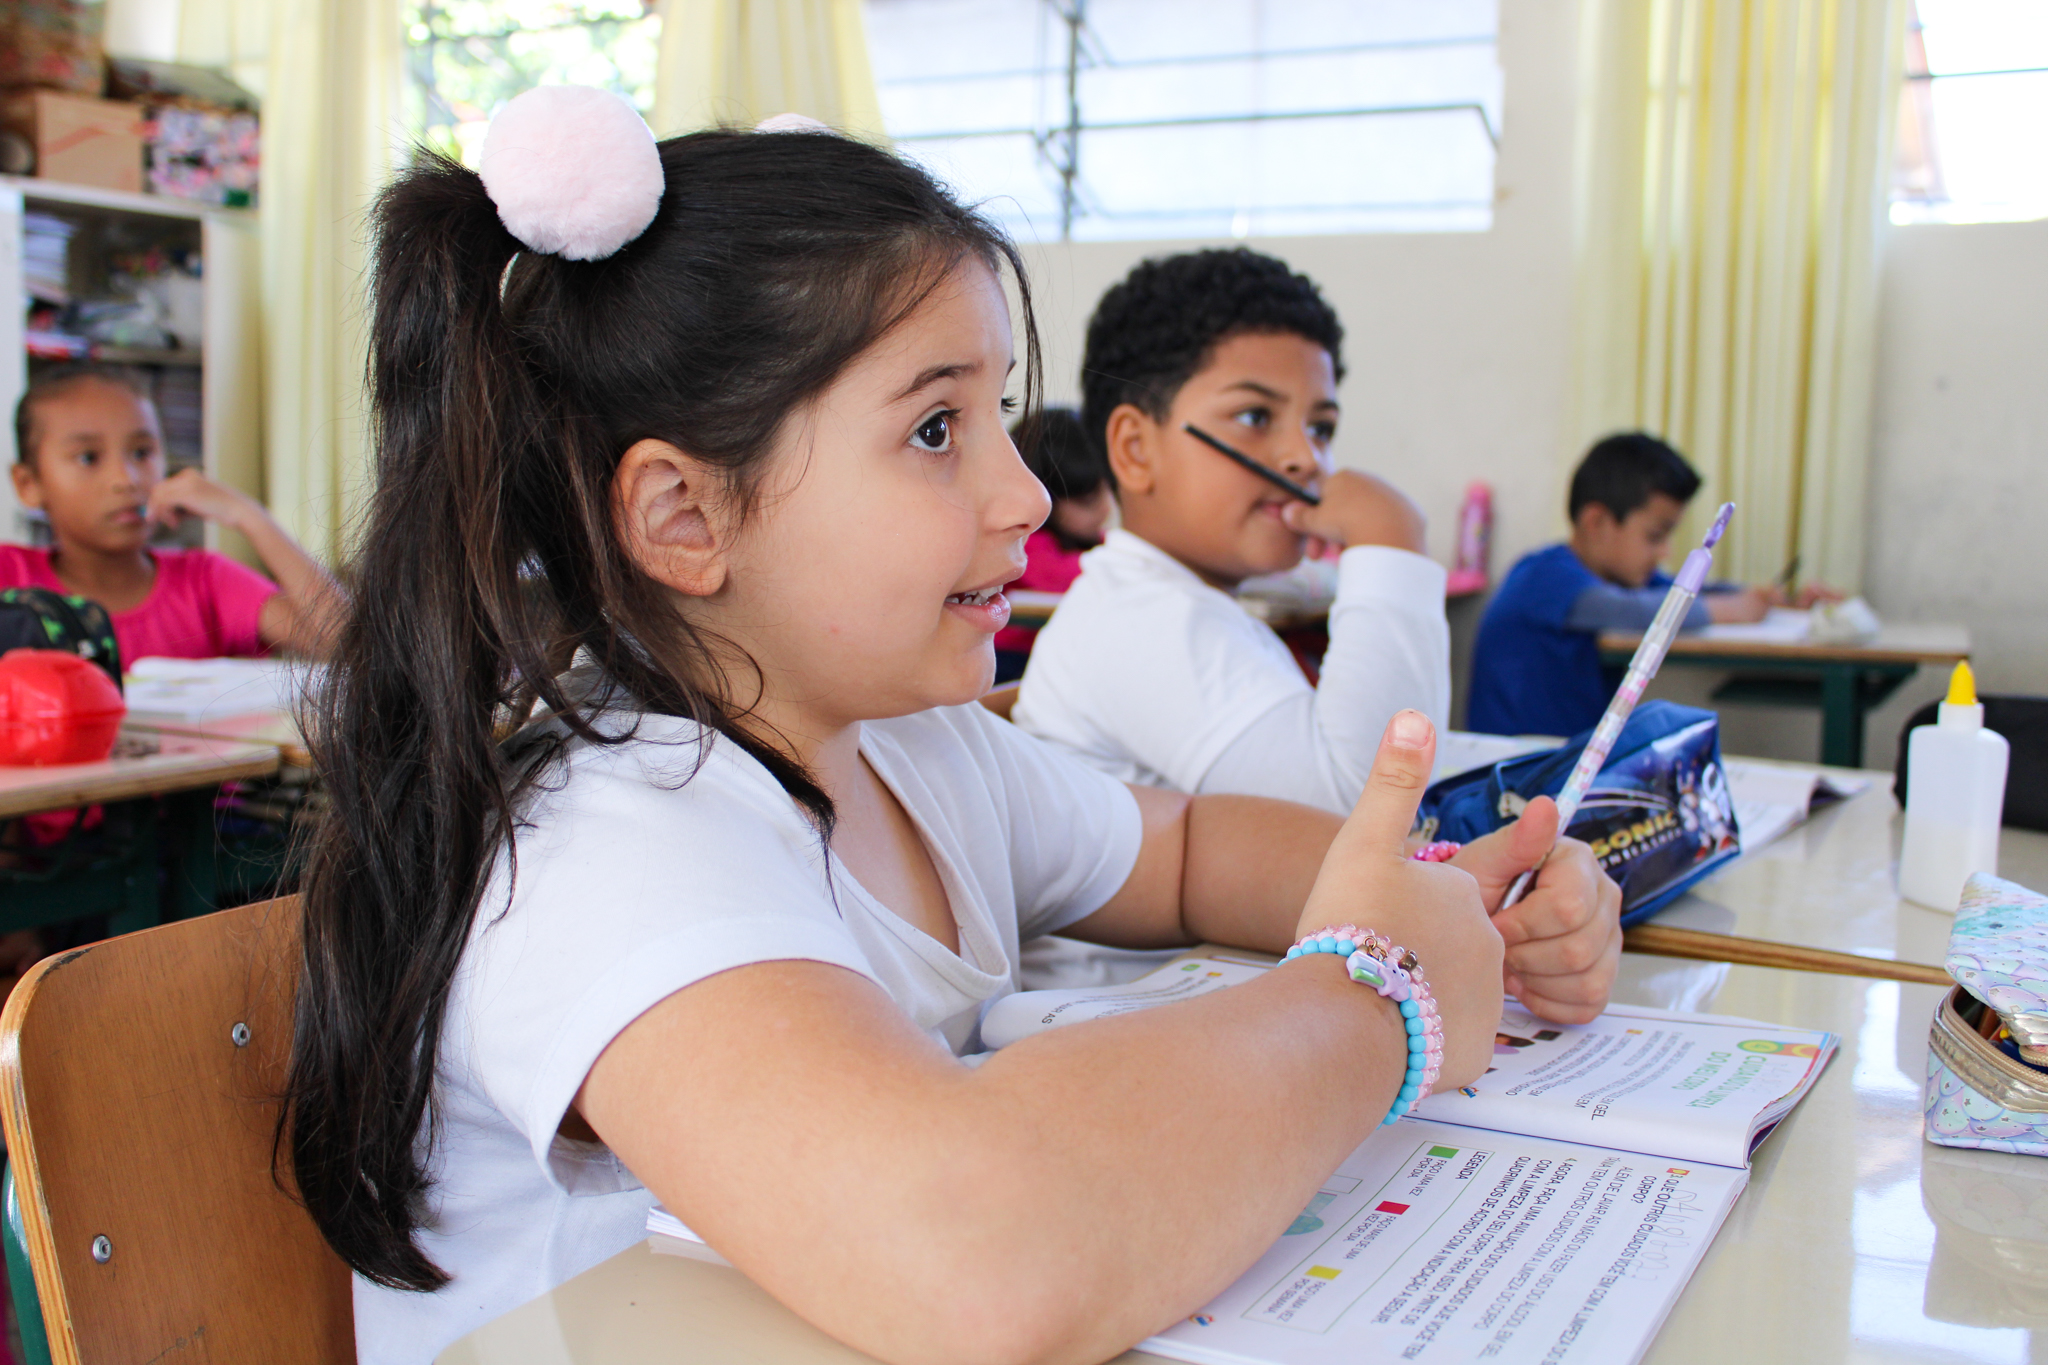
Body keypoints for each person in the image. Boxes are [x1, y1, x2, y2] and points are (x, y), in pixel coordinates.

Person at [288, 90, 1619, 1365]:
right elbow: (974, 1246)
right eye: (936, 428)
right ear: (685, 517)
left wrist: (1439, 898)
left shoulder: (917, 746)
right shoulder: (599, 846)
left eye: (998, 413)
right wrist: (1383, 994)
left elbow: (1187, 849)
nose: (1027, 493)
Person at [1013, 248, 1451, 817]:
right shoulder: (1139, 622)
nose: (1305, 458)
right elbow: (1362, 816)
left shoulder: (1177, 602)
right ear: (1136, 450)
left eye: (1321, 427)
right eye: (1254, 417)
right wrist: (1390, 542)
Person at [1466, 432, 1835, 738]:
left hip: (1567, 760)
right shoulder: (1543, 576)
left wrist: (1774, 600)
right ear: (1596, 522)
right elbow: (1633, 611)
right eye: (1655, 536)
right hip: (1513, 765)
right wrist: (1732, 610)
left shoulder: (1619, 576)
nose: (1664, 552)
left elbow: (1689, 589)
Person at [5, 365, 345, 662]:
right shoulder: (10, 578)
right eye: (88, 458)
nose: (126, 479)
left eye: (142, 453)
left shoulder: (205, 582)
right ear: (28, 483)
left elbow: (347, 645)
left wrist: (248, 515)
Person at [990, 406, 1111, 682]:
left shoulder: (1091, 540)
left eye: (1108, 491)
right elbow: (1070, 577)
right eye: (1087, 502)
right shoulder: (1024, 542)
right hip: (1009, 660)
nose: (1106, 508)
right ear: (1044, 498)